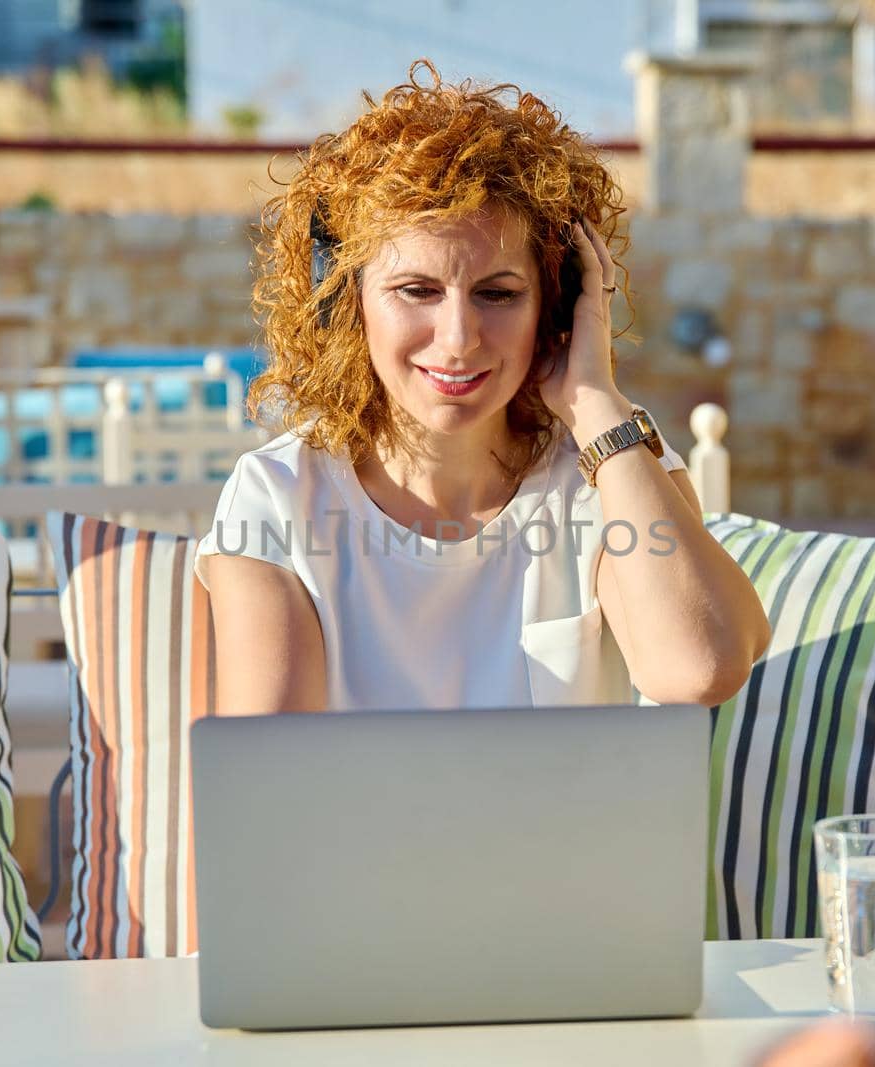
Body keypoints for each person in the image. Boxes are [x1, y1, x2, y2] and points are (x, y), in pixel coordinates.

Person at [194, 61, 770, 715]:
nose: (460, 337)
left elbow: (699, 667)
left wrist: (594, 397)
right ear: (345, 299)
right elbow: (273, 778)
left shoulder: (607, 470)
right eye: (417, 291)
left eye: (498, 293)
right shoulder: (277, 497)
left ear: (555, 306)